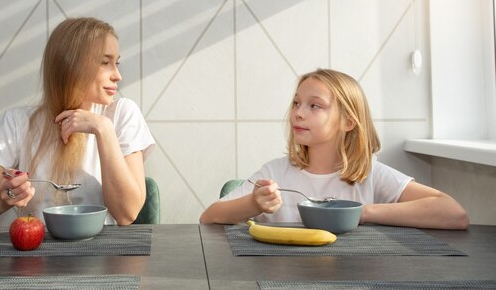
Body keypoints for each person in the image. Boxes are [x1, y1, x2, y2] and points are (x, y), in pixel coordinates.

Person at [200, 68, 469, 230]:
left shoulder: (370, 175)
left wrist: (361, 212)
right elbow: (209, 218)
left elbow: (454, 214)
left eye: (314, 105)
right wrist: (252, 202)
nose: (298, 113)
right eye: (296, 103)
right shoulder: (276, 172)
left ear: (348, 121)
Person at [0, 17, 155, 231]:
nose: (118, 75)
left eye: (117, 62)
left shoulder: (122, 113)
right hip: (34, 258)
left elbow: (127, 214)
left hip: (101, 258)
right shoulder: (17, 122)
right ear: (71, 66)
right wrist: (5, 197)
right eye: (105, 62)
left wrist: (103, 128)